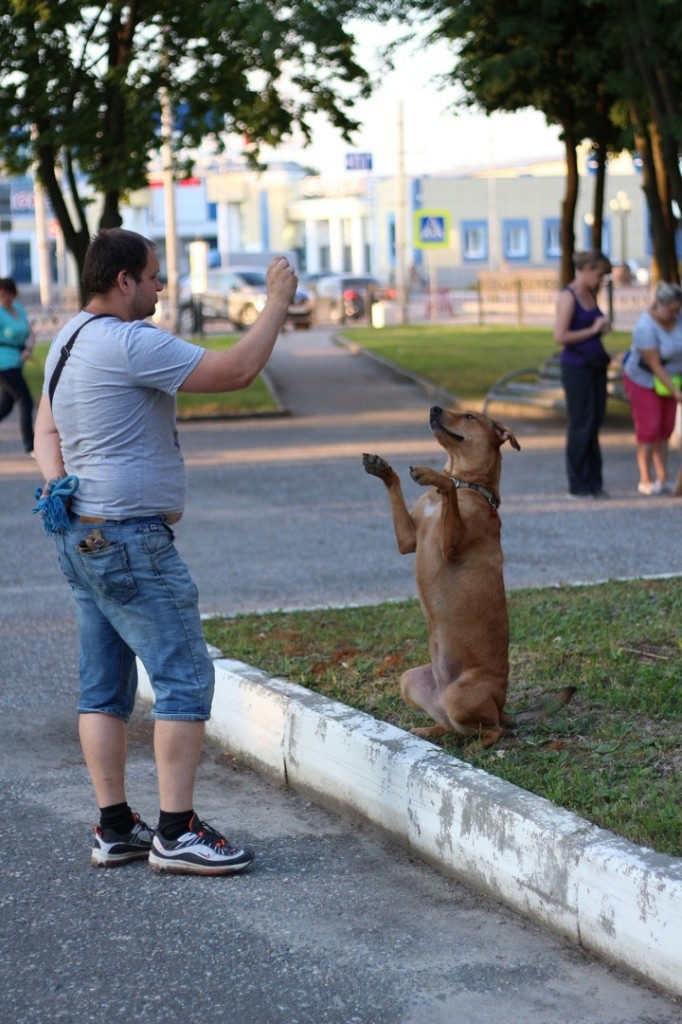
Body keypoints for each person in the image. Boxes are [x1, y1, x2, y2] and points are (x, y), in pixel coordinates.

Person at [34, 228, 297, 875]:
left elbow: (45, 426)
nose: (161, 286)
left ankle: (115, 825)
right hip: (127, 541)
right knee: (183, 679)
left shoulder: (66, 340)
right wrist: (276, 302)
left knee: (103, 688)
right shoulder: (129, 342)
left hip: (81, 535)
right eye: (154, 276)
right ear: (123, 280)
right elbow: (237, 370)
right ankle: (176, 832)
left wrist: (58, 489)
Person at [554, 250, 613, 498]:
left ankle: (594, 482)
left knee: (595, 422)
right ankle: (577, 484)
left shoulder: (590, 293)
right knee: (581, 423)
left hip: (596, 366)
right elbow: (561, 336)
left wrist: (602, 327)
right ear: (587, 268)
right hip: (577, 367)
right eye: (599, 274)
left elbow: (595, 326)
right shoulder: (568, 296)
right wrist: (592, 330)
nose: (601, 280)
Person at [621, 281, 682, 495]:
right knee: (649, 428)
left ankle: (663, 476)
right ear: (660, 305)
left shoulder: (678, 318)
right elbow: (655, 365)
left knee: (665, 429)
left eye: (678, 311)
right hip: (644, 380)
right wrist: (677, 394)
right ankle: (645, 478)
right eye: (672, 311)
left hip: (672, 381)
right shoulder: (645, 327)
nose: (675, 315)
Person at [0, 276, 35, 453]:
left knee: (6, 403)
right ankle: (31, 444)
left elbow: (30, 332)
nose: (4, 297)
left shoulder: (19, 310)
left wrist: (29, 347)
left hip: (17, 359)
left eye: (7, 293)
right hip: (3, 363)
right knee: (25, 400)